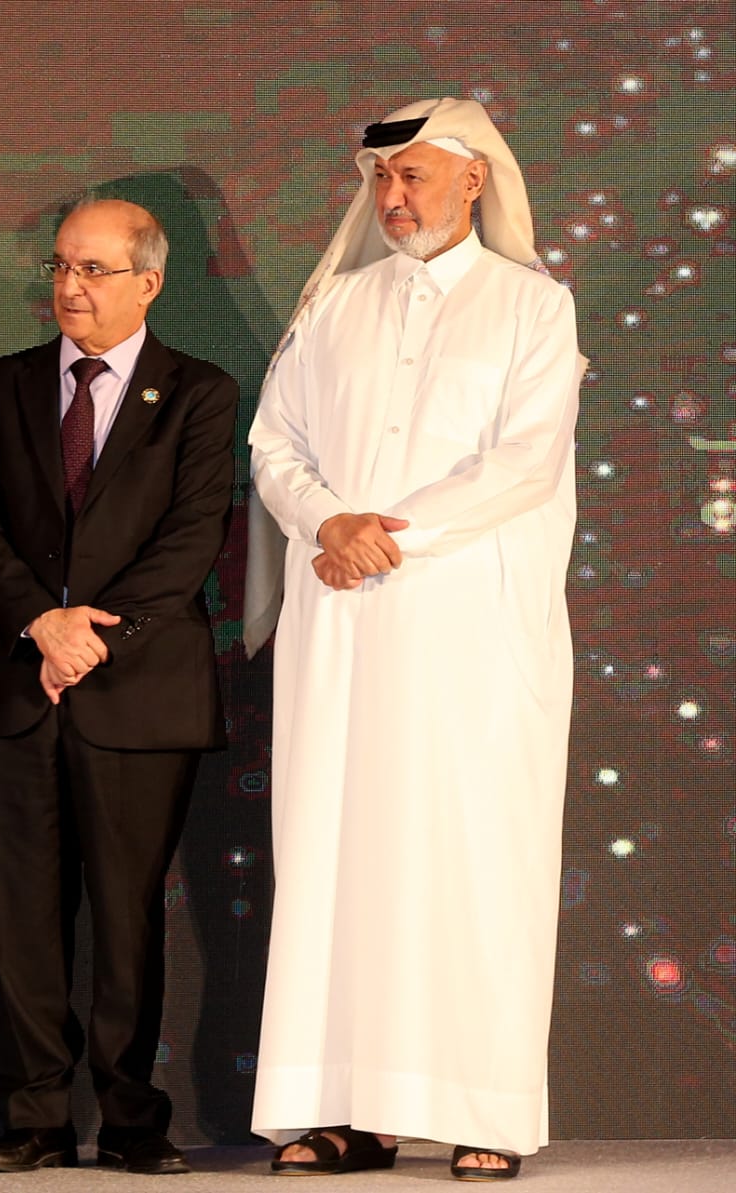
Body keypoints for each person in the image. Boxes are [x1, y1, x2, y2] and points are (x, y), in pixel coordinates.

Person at [245, 97, 581, 1182]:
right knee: (337, 855)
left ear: (473, 180)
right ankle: (347, 1110)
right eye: (380, 180)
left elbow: (525, 460)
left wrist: (386, 536)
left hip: (468, 630)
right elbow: (274, 444)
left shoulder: (533, 307)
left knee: (470, 854)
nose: (391, 198)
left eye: (413, 177)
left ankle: (483, 1108)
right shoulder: (334, 305)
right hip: (340, 622)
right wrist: (324, 523)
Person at [0, 199, 238, 1176]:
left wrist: (94, 640)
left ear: (148, 282)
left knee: (126, 915)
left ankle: (129, 1118)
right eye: (61, 267)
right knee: (22, 915)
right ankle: (32, 1115)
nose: (69, 287)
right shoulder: (1, 384)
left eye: (94, 270)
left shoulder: (199, 392)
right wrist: (41, 622)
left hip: (137, 690)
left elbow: (191, 537)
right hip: (19, 680)